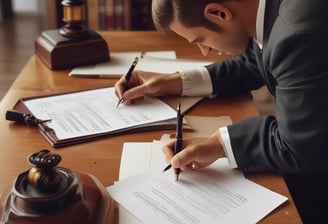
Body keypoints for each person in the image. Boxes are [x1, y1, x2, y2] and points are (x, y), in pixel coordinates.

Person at [114, 0, 328, 222]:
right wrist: (172, 82)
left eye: (200, 40)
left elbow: (299, 146)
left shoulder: (296, 35)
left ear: (218, 13)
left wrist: (220, 144)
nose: (205, 51)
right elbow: (255, 62)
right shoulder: (269, 12)